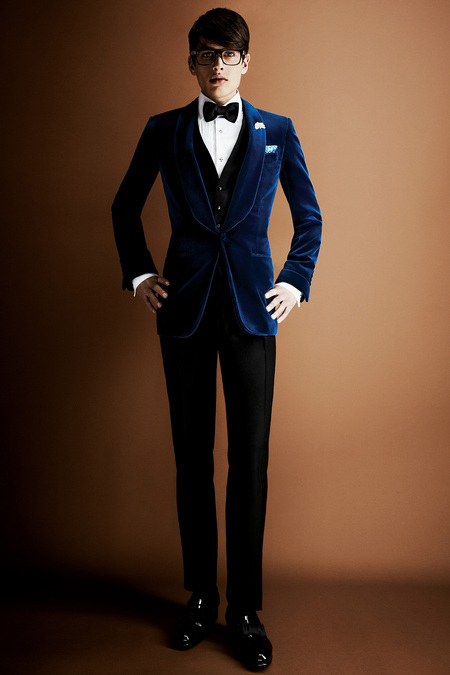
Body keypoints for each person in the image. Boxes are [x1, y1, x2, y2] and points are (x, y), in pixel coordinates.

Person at [112, 8, 322, 671]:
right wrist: (140, 273)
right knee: (192, 459)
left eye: (229, 55)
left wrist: (295, 280)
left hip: (255, 315)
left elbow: (309, 217)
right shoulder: (163, 129)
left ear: (246, 62)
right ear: (191, 63)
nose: (218, 66)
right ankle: (201, 597)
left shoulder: (278, 131)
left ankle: (246, 610)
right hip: (184, 313)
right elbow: (124, 207)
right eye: (207, 54)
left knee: (250, 462)